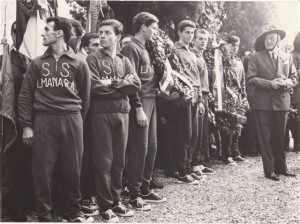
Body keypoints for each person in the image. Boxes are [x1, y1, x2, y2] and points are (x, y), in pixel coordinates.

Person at [18, 17, 92, 222]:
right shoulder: (37, 63)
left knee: (73, 170)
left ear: (59, 33)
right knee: (42, 172)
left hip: (72, 119)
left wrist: (76, 120)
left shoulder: (79, 62)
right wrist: (26, 126)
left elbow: (85, 98)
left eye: (47, 29)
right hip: (44, 121)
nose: (43, 33)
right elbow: (25, 95)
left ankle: (74, 212)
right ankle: (45, 215)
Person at [86, 19, 141, 222]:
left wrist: (112, 82)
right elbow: (94, 87)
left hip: (123, 114)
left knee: (119, 161)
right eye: (100, 32)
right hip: (101, 114)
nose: (102, 36)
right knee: (104, 161)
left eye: (107, 33)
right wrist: (121, 86)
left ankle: (116, 201)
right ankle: (105, 205)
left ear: (117, 37)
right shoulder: (92, 59)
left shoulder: (123, 60)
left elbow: (136, 85)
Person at [122, 12, 167, 211]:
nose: (155, 32)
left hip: (151, 99)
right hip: (140, 103)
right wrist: (138, 108)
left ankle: (145, 187)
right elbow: (131, 80)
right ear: (143, 27)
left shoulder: (145, 48)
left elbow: (147, 77)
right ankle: (134, 193)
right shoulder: (131, 47)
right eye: (153, 28)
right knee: (139, 149)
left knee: (152, 147)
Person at [247, 26, 297, 181]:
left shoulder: (286, 56)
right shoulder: (255, 57)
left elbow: (294, 77)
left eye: (272, 38)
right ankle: (269, 170)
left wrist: (287, 82)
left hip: (282, 102)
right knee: (265, 137)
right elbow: (251, 79)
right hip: (263, 103)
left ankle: (281, 168)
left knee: (280, 136)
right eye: (266, 38)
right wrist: (270, 84)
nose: (269, 41)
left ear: (278, 40)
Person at [3, 21, 33, 222]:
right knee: (14, 165)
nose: (21, 37)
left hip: (34, 119)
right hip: (13, 121)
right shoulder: (5, 59)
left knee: (30, 165)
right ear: (12, 35)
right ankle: (15, 211)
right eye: (18, 33)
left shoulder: (36, 59)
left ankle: (29, 205)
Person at [170, 20, 204, 184]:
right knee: (184, 134)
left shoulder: (191, 52)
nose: (190, 36)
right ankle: (181, 170)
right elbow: (174, 74)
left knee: (194, 135)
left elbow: (196, 77)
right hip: (183, 96)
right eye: (187, 32)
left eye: (192, 33)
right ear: (179, 33)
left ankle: (189, 166)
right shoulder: (173, 49)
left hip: (195, 95)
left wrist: (201, 99)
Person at [77, 32, 101, 217]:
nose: (99, 48)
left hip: (96, 115)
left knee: (94, 154)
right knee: (83, 157)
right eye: (95, 45)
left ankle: (91, 192)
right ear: (85, 47)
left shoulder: (96, 61)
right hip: (82, 116)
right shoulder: (82, 61)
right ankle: (84, 195)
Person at [220, 35, 247, 164]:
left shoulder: (239, 61)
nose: (234, 48)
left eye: (237, 45)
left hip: (238, 96)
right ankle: (226, 153)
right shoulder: (223, 60)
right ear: (227, 45)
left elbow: (243, 81)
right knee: (228, 125)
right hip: (227, 96)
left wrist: (244, 95)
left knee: (237, 125)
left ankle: (235, 151)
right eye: (232, 45)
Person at [193, 29, 215, 174]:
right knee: (197, 130)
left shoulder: (201, 56)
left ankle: (200, 162)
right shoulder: (192, 56)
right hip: (197, 96)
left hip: (205, 95)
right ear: (194, 40)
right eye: (200, 38)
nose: (203, 41)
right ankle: (194, 163)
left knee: (203, 131)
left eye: (205, 39)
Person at [291, 32, 300, 151]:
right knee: (297, 119)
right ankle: (298, 142)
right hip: (297, 93)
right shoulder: (293, 55)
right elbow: (293, 75)